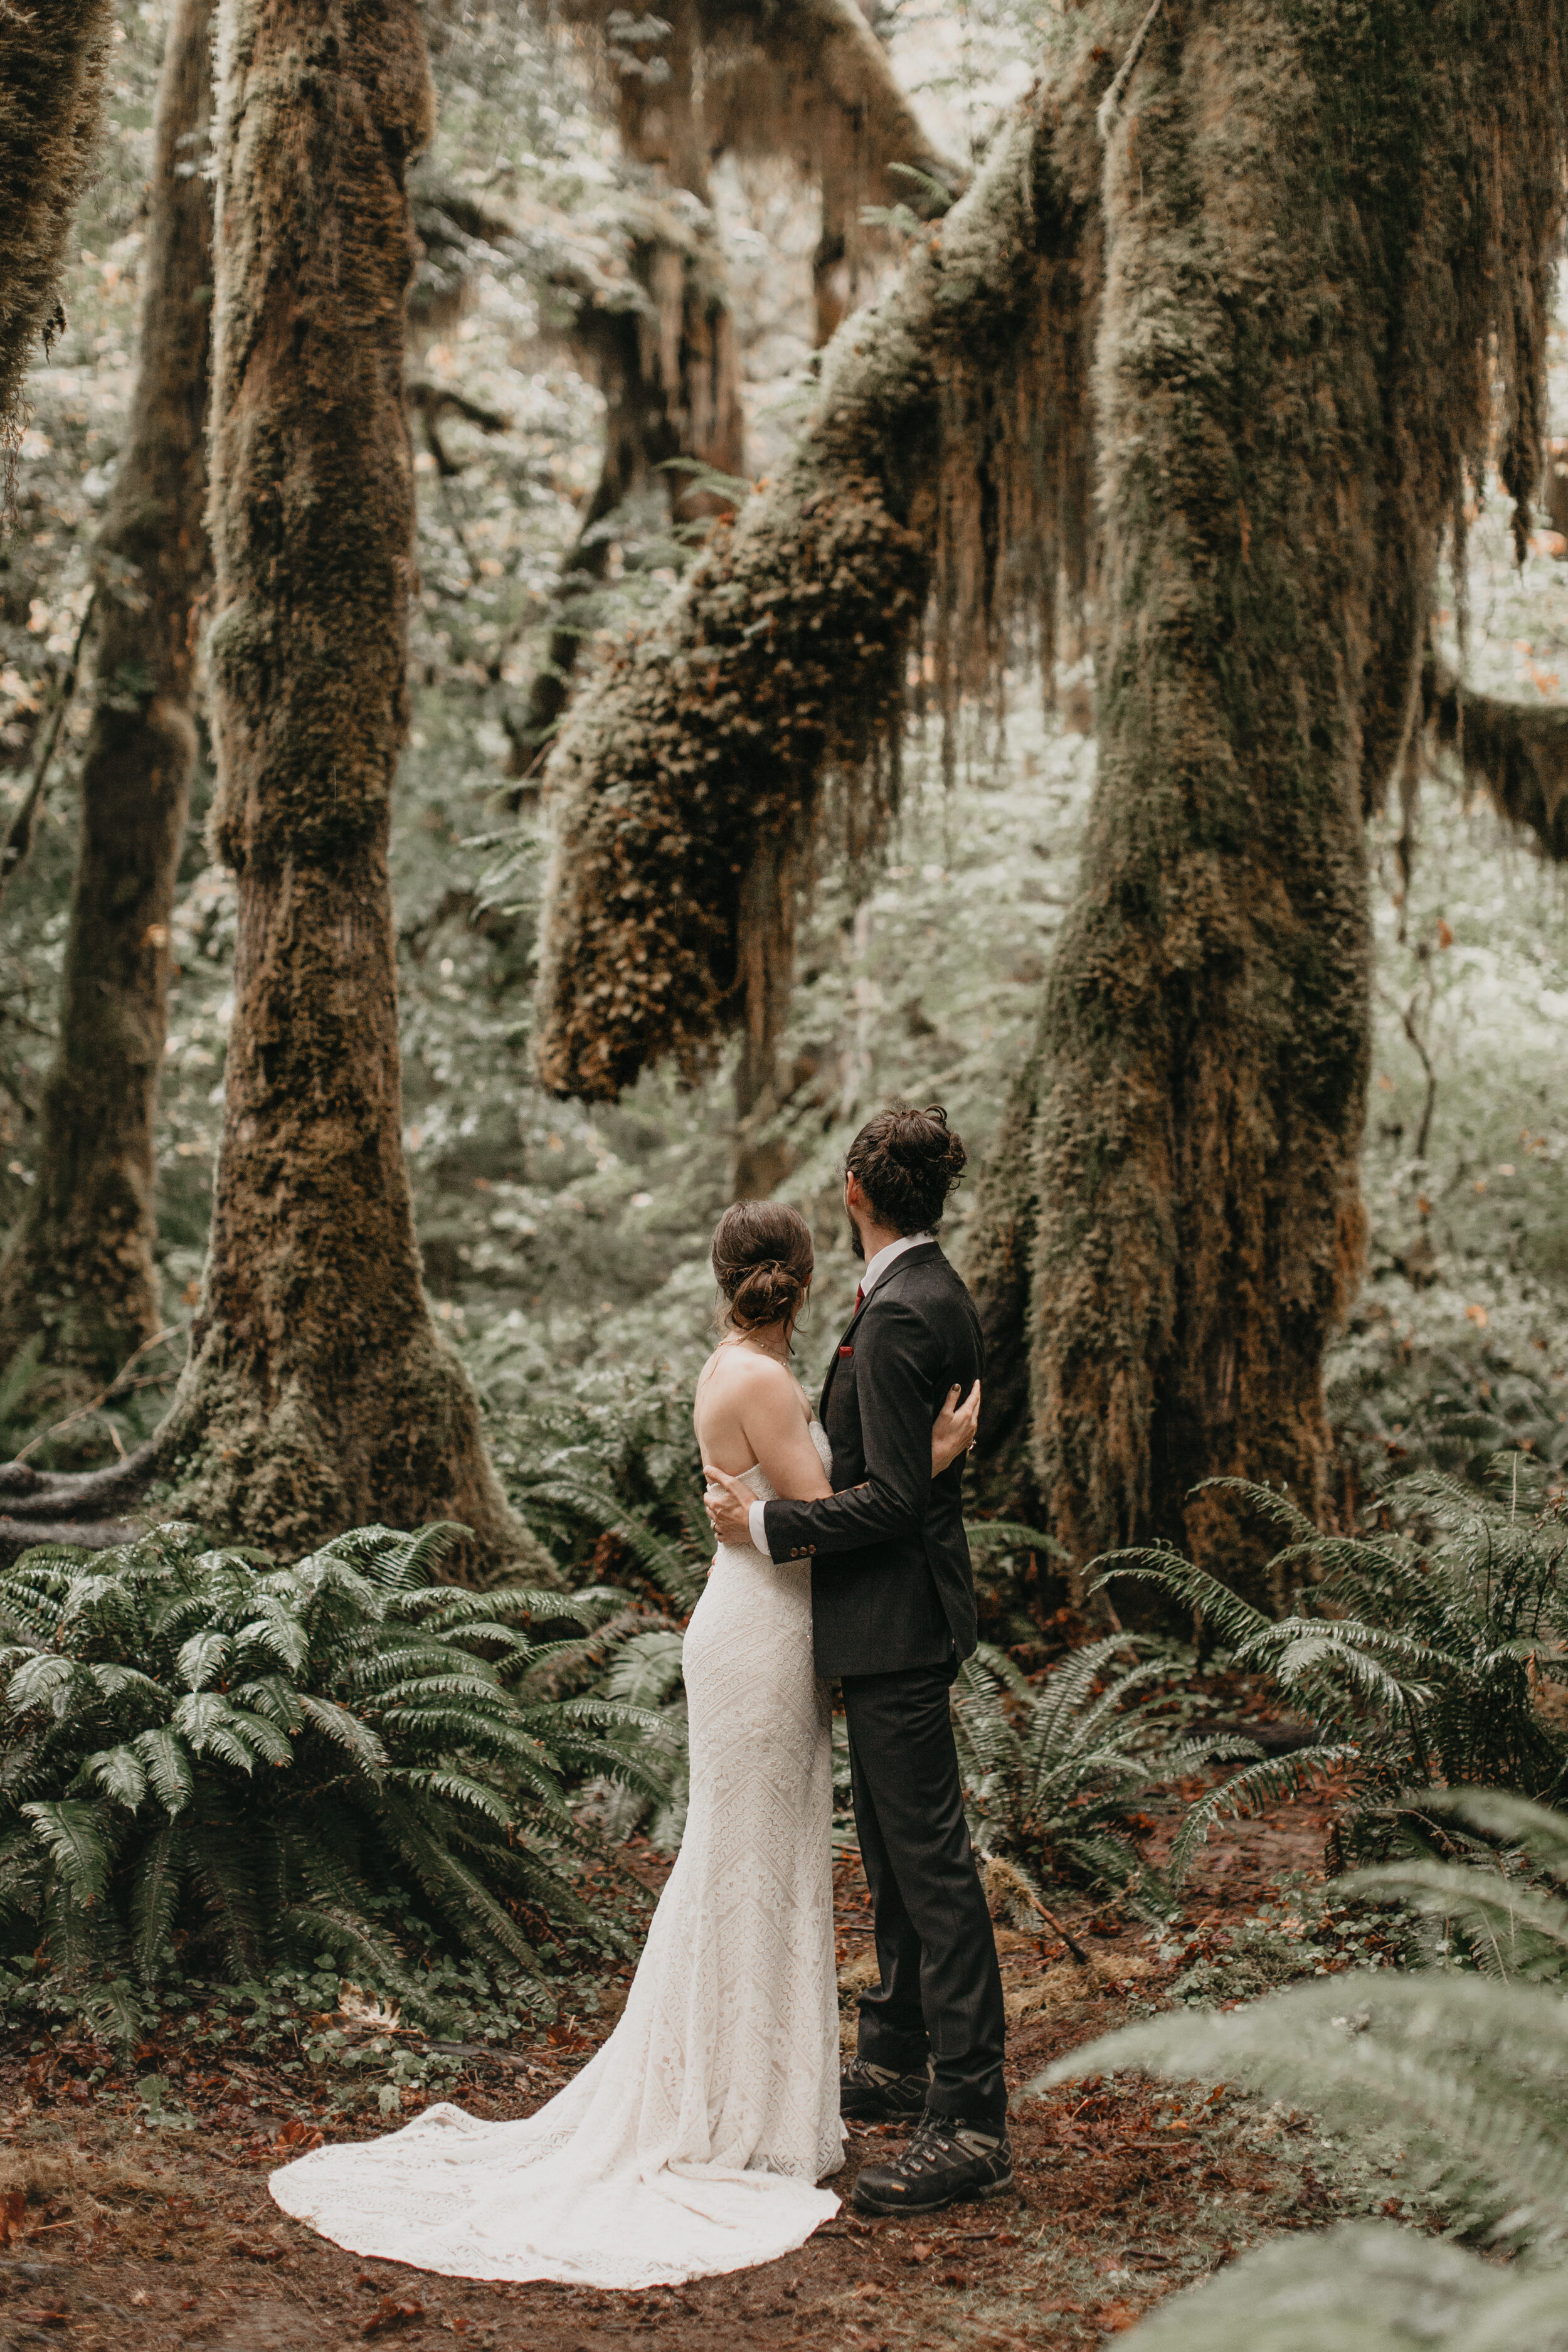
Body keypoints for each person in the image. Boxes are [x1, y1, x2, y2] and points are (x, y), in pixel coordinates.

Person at [269, 1197, 978, 2289]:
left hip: (766, 1632)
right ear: (796, 1275)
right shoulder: (764, 1381)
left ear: (725, 1273)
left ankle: (755, 2084)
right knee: (737, 1864)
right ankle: (719, 2103)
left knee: (754, 1861)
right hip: (760, 1640)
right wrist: (927, 1461)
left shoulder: (738, 1366)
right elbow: (842, 1512)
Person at [704, 1103, 1010, 2218]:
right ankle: (896, 2047)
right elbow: (904, 1475)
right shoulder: (929, 1292)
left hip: (895, 1623)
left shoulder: (897, 1318)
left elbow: (884, 1499)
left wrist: (771, 1529)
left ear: (852, 1190)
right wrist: (917, 1474)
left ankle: (971, 2117)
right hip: (889, 1618)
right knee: (890, 1853)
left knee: (931, 1868)